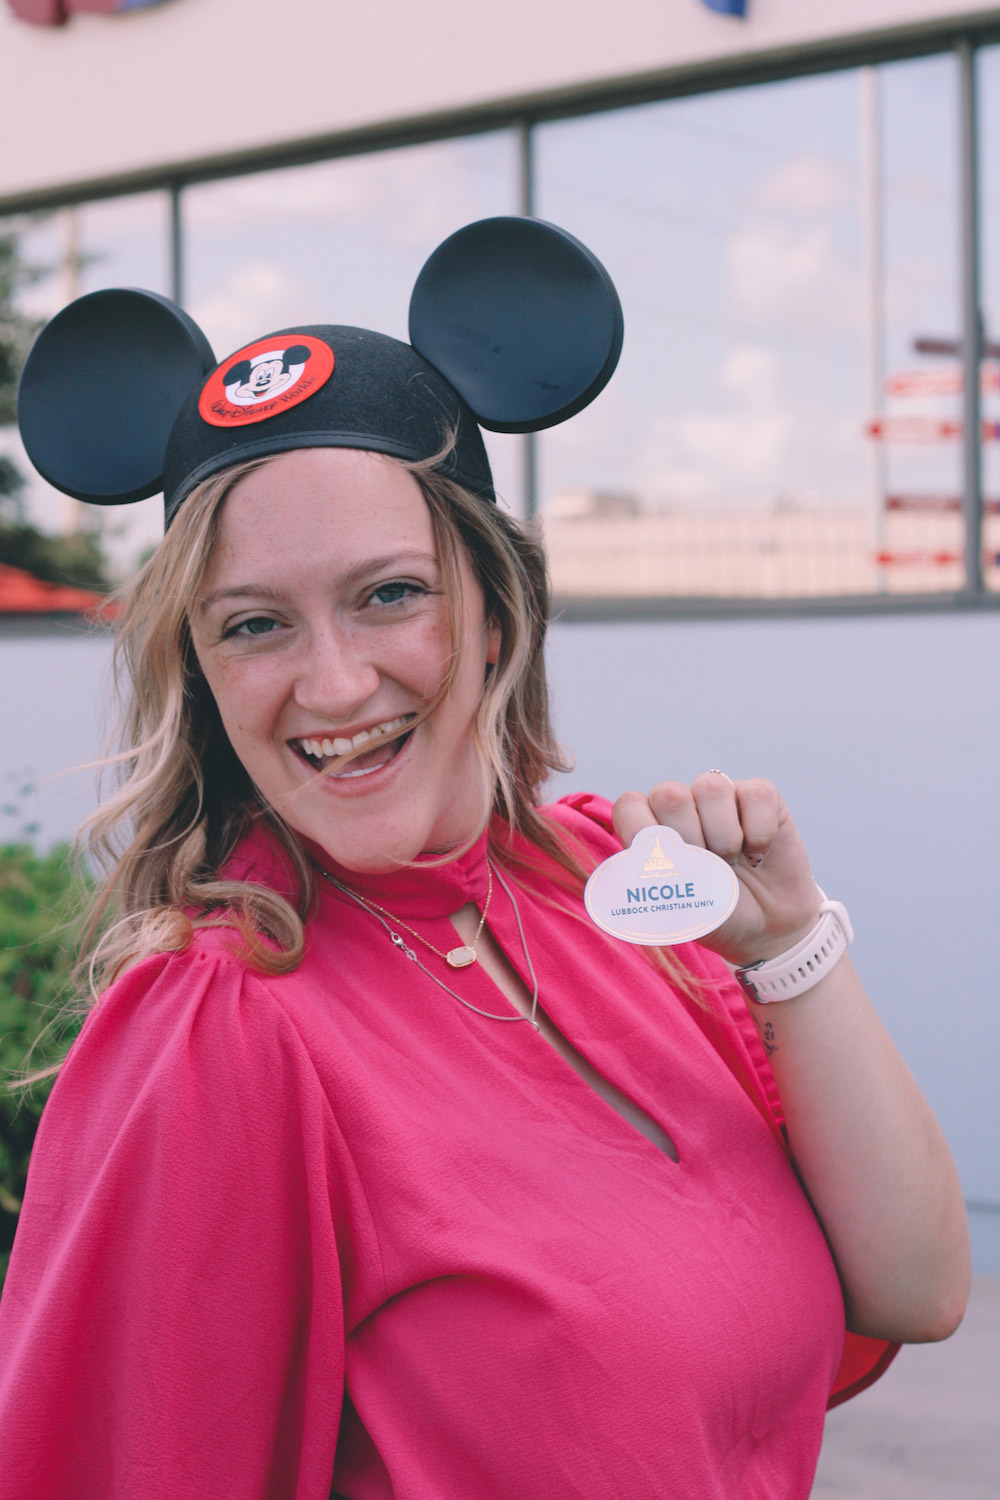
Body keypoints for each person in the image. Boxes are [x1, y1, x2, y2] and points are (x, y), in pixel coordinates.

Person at [0, 218, 970, 1500]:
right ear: (201, 673)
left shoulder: (612, 887)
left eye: (390, 594)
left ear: (498, 605)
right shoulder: (222, 1023)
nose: (334, 683)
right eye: (253, 624)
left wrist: (794, 952)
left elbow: (918, 1287)